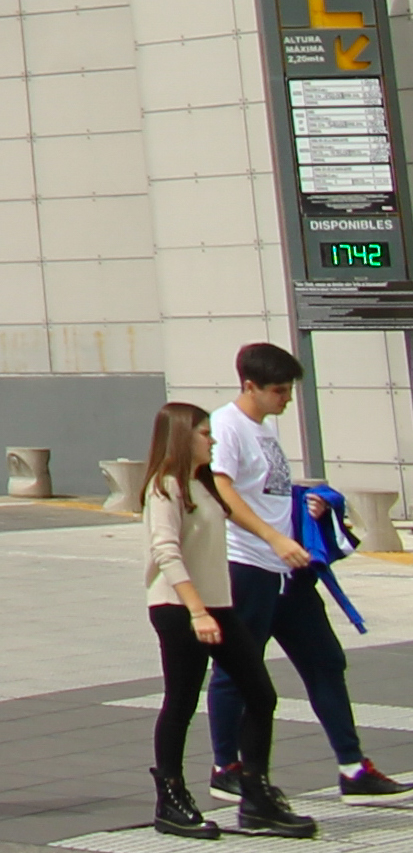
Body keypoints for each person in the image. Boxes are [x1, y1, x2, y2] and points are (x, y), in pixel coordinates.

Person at [209, 342, 401, 804]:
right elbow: (222, 490)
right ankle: (225, 767)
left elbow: (266, 492)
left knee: (326, 662)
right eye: (278, 390)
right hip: (248, 567)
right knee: (237, 669)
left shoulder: (265, 430)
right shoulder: (226, 426)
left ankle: (352, 768)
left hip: (289, 570)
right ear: (249, 385)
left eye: (289, 390)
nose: (286, 399)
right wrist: (272, 538)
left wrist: (304, 506)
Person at [147, 395, 305, 839]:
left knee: (261, 693)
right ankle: (171, 798)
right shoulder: (166, 486)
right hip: (180, 609)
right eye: (203, 432)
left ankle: (255, 793)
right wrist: (197, 610)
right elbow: (165, 552)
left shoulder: (204, 484)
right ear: (182, 436)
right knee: (180, 701)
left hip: (218, 606)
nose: (212, 438)